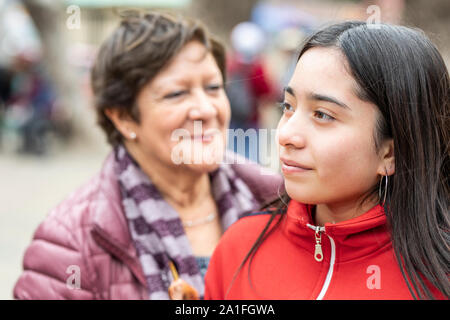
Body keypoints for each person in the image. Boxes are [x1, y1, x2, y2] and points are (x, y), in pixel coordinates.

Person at [13, 11, 283, 300]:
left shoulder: (279, 204)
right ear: (124, 117)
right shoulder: (70, 244)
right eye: (177, 94)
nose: (206, 109)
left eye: (214, 88)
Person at [204, 21, 449, 300]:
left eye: (322, 114)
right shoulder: (239, 247)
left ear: (389, 153)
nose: (286, 134)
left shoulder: (438, 278)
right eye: (288, 107)